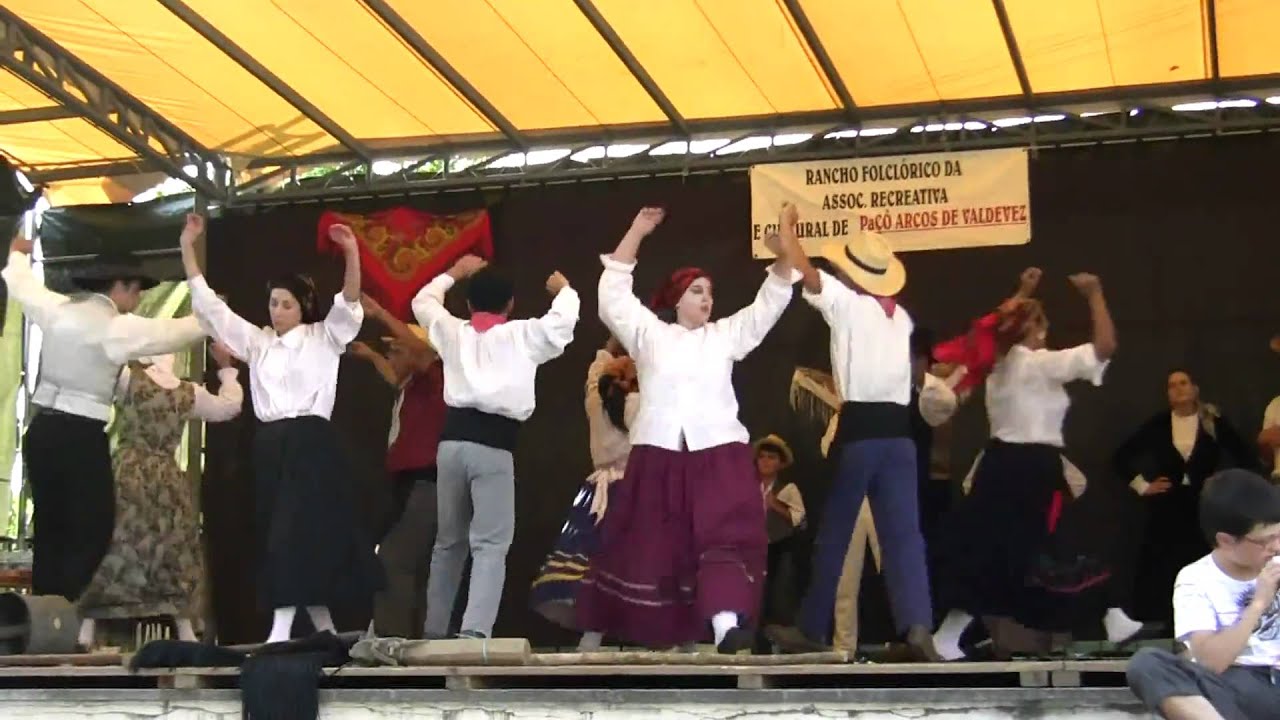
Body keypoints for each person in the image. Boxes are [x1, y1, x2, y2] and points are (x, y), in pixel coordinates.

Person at [576, 206, 801, 654]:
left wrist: (786, 248)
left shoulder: (724, 336)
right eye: (697, 291)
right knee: (642, 544)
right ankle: (594, 633)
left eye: (710, 292)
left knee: (724, 539)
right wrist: (637, 229)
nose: (706, 299)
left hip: (718, 455)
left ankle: (724, 629)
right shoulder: (650, 334)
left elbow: (769, 304)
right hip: (658, 455)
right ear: (676, 298)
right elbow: (612, 295)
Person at [178, 213, 382, 644]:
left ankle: (284, 625)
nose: (278, 310)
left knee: (300, 530)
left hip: (311, 444)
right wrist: (187, 247)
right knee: (279, 530)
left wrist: (351, 252)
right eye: (273, 303)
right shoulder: (259, 343)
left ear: (303, 306)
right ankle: (322, 624)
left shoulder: (324, 338)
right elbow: (213, 309)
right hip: (271, 444)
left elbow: (348, 303)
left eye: (287, 303)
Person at [931, 269, 1147, 660]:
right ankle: (1110, 612)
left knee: (1000, 551)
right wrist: (1095, 295)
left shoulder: (997, 363)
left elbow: (994, 326)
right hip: (1026, 465)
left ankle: (1109, 612)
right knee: (1053, 546)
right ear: (1038, 330)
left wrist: (1024, 291)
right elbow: (1105, 346)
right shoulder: (1037, 362)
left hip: (1009, 465)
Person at [2, 229, 206, 611]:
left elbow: (20, 283)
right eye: (136, 289)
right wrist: (214, 314)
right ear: (121, 286)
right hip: (80, 435)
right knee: (93, 528)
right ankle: (63, 603)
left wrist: (16, 254)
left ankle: (48, 615)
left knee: (51, 528)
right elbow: (175, 333)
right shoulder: (117, 327)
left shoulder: (57, 309)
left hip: (42, 431)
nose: (139, 298)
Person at [772, 204, 939, 660]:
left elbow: (806, 272)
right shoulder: (901, 317)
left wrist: (788, 229)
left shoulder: (847, 303)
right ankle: (918, 628)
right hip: (901, 436)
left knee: (835, 529)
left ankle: (811, 627)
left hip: (862, 427)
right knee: (903, 534)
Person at [412, 254, 579, 640]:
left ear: (469, 305)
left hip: (451, 445)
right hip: (493, 446)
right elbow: (562, 323)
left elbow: (423, 301)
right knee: (489, 542)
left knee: (448, 542)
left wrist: (453, 273)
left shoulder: (453, 331)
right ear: (511, 305)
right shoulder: (521, 335)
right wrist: (565, 290)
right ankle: (474, 632)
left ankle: (434, 629)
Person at [77, 342, 243, 647]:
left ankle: (88, 625)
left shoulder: (129, 378)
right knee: (173, 549)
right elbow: (229, 405)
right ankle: (183, 628)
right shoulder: (186, 392)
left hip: (129, 470)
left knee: (116, 542)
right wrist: (227, 371)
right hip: (165, 477)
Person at [1126, 468, 1280, 720]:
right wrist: (1258, 603)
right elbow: (1212, 663)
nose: (1275, 547)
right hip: (1235, 689)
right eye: (1265, 540)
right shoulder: (1196, 579)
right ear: (1226, 540)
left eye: (1279, 535)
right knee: (1148, 664)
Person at [1115, 369, 1258, 627]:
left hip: (1202, 508)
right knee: (1163, 567)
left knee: (1203, 564)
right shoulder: (1159, 424)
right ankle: (1164, 627)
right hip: (1167, 507)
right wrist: (1143, 486)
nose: (1178, 389)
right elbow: (1121, 457)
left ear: (1195, 389)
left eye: (1183, 383)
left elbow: (1246, 457)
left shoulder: (1211, 423)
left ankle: (1211, 624)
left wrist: (1221, 485)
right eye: (1172, 385)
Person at [530, 339, 638, 650]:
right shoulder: (638, 406)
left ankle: (592, 636)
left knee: (592, 563)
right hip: (631, 489)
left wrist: (608, 348)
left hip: (597, 490)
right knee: (638, 562)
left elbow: (595, 374)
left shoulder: (595, 401)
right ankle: (660, 634)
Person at [348, 292, 445, 639]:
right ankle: (400, 635)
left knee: (396, 560)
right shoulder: (410, 387)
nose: (393, 355)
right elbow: (393, 375)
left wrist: (379, 312)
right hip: (406, 484)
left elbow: (420, 352)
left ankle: (392, 639)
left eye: (397, 350)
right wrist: (374, 357)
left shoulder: (436, 380)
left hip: (427, 483)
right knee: (401, 561)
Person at [755, 435, 807, 630]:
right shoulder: (748, 487)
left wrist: (774, 505)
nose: (766, 461)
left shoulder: (788, 489)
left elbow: (799, 518)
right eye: (762, 457)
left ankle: (776, 633)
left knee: (777, 593)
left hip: (779, 547)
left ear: (780, 463)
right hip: (751, 549)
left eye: (771, 457)